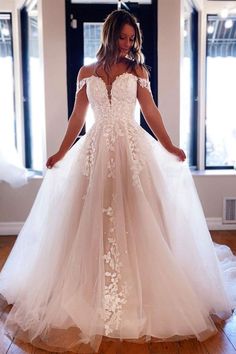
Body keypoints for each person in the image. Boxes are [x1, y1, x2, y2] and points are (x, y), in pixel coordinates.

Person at [0, 9, 235, 354]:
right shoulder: (85, 72)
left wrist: (169, 145)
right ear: (109, 36)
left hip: (131, 149)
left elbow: (150, 111)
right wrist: (61, 152)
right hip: (94, 152)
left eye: (131, 39)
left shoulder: (137, 70)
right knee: (90, 218)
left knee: (139, 215)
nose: (127, 44)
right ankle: (88, 288)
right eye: (122, 38)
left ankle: (143, 288)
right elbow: (77, 117)